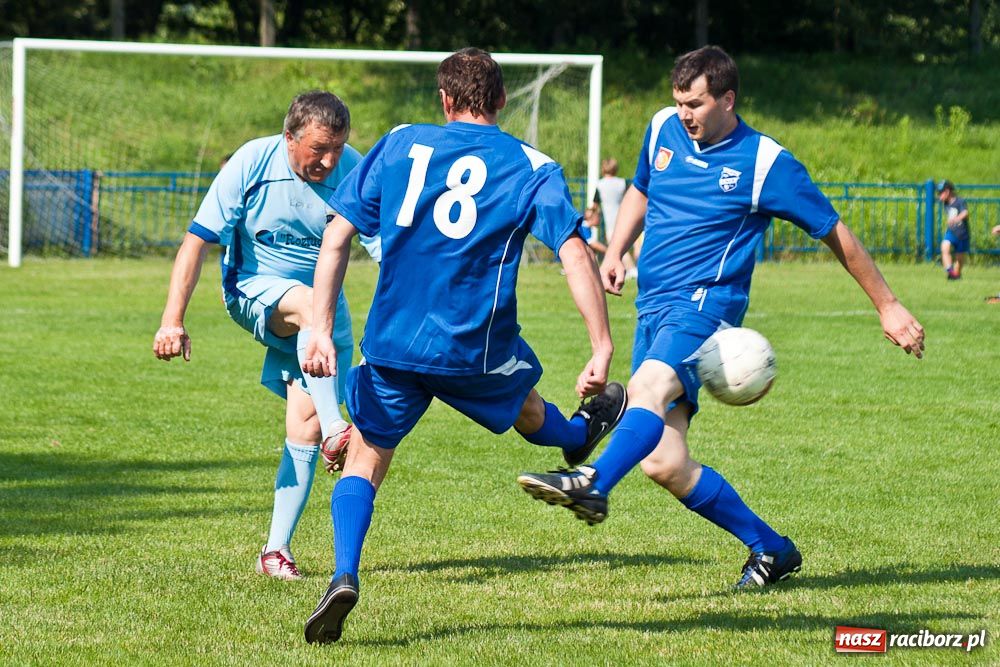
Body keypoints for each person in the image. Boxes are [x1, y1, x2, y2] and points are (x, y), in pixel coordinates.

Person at [518, 46, 925, 590]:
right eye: (679, 101)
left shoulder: (765, 163)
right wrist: (616, 249)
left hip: (705, 307)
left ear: (728, 99)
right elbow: (641, 188)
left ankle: (590, 479)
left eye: (697, 103)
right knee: (663, 463)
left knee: (647, 386)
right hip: (654, 307)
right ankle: (771, 549)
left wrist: (888, 303)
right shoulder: (663, 127)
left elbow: (834, 230)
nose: (685, 113)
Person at [300, 47, 627, 644]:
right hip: (473, 347)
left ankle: (344, 573)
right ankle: (580, 436)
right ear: (502, 101)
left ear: (445, 101)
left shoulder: (400, 142)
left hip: (392, 341)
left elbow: (339, 233)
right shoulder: (532, 164)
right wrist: (601, 345)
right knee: (527, 405)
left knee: (366, 456)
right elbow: (573, 253)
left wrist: (320, 326)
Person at [153, 91, 368, 581]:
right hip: (253, 291)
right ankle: (341, 429)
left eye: (337, 147)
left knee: (305, 425)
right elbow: (196, 241)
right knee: (312, 309)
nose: (329, 160)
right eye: (318, 148)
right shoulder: (253, 160)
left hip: (323, 313)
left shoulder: (353, 168)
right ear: (289, 137)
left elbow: (386, 248)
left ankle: (275, 551)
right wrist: (173, 319)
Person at [594, 158, 637, 279]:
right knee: (621, 245)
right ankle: (625, 268)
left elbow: (595, 205)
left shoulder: (600, 185)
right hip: (623, 215)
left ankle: (631, 269)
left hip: (610, 219)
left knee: (616, 246)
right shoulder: (622, 183)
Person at [938, 180, 970, 280]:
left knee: (959, 260)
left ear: (947, 192)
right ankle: (950, 270)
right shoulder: (945, 203)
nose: (939, 196)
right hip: (951, 232)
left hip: (962, 234)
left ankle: (956, 275)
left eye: (940, 193)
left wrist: (956, 219)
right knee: (945, 246)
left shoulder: (960, 201)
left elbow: (965, 213)